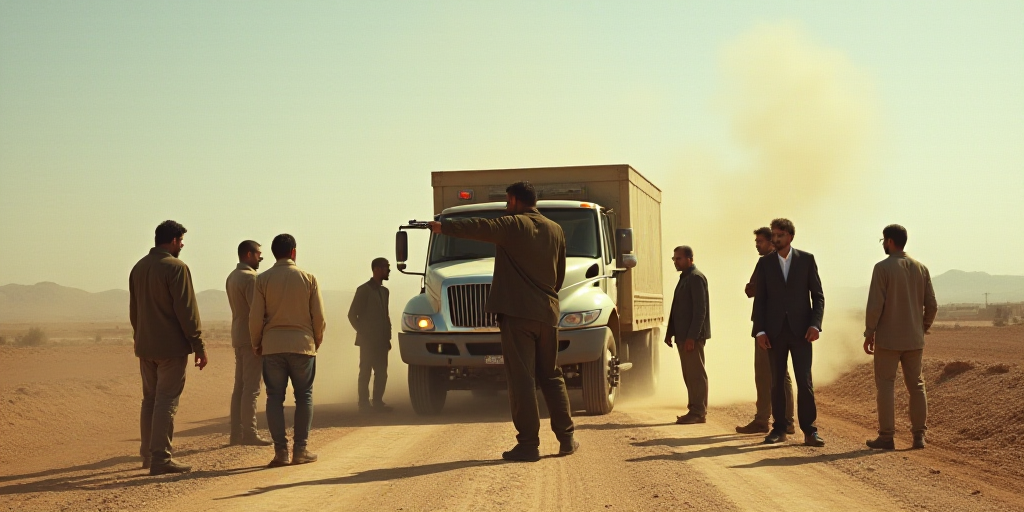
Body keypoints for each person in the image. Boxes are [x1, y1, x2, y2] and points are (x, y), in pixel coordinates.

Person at [428, 181, 577, 462]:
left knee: (522, 379)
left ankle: (529, 444)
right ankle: (567, 438)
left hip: (518, 315)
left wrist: (443, 227)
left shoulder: (513, 225)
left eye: (508, 202)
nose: (507, 206)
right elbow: (559, 275)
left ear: (515, 200)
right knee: (551, 375)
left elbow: (479, 227)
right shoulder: (555, 229)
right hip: (547, 313)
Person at [129, 220, 208, 475]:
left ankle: (148, 456)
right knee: (166, 402)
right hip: (170, 348)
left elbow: (134, 312)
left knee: (150, 400)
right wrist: (199, 344)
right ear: (173, 240)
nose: (183, 244)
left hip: (145, 346)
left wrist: (141, 337)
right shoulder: (176, 268)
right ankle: (161, 458)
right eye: (181, 240)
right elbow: (187, 311)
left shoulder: (138, 268)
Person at [250, 234, 326, 467]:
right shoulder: (309, 278)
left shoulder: (262, 280)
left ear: (274, 253)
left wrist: (257, 343)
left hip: (272, 347)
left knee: (274, 398)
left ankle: (281, 452)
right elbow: (319, 318)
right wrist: (316, 341)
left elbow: (255, 318)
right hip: (303, 345)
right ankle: (300, 450)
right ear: (294, 252)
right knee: (304, 396)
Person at [753, 218, 826, 447]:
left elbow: (818, 296)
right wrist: (760, 330)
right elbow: (760, 300)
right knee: (776, 382)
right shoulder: (766, 264)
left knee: (804, 382)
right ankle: (779, 429)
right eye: (774, 235)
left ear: (790, 236)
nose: (775, 238)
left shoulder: (806, 260)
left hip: (802, 332)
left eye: (780, 235)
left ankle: (809, 431)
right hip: (774, 332)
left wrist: (815, 325)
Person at [863, 224, 937, 450]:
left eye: (883, 240)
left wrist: (869, 333)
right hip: (914, 340)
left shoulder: (882, 268)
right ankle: (918, 437)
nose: (883, 245)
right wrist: (921, 327)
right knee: (916, 386)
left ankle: (887, 437)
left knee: (886, 385)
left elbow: (875, 306)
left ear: (890, 241)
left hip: (888, 340)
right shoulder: (921, 268)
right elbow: (932, 305)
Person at [737, 227, 795, 435]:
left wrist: (754, 288)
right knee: (781, 374)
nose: (757, 245)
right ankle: (787, 421)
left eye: (760, 242)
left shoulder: (767, 263)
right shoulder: (785, 262)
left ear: (772, 243)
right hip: (781, 327)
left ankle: (763, 419)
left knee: (764, 375)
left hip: (767, 328)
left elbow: (752, 290)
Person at [225, 240, 271, 446]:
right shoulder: (252, 279)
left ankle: (236, 433)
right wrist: (258, 339)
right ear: (248, 255)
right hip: (251, 338)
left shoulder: (232, 276)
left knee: (240, 387)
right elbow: (257, 313)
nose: (261, 257)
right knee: (251, 388)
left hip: (238, 336)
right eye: (258, 253)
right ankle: (249, 433)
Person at [664, 246, 711, 424]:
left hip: (693, 337)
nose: (676, 262)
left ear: (690, 259)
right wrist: (670, 332)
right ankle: (694, 409)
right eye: (674, 259)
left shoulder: (696, 278)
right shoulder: (684, 278)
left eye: (679, 259)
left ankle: (698, 412)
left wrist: (692, 337)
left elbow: (700, 311)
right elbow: (676, 308)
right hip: (682, 336)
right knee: (689, 374)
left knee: (696, 374)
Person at [348, 257, 394, 413]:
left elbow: (385, 316)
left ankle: (378, 402)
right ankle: (363, 404)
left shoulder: (384, 291)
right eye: (386, 267)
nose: (389, 270)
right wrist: (363, 333)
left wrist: (387, 337)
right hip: (368, 341)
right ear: (376, 269)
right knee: (365, 372)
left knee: (382, 373)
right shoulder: (364, 290)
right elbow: (352, 315)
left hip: (381, 341)